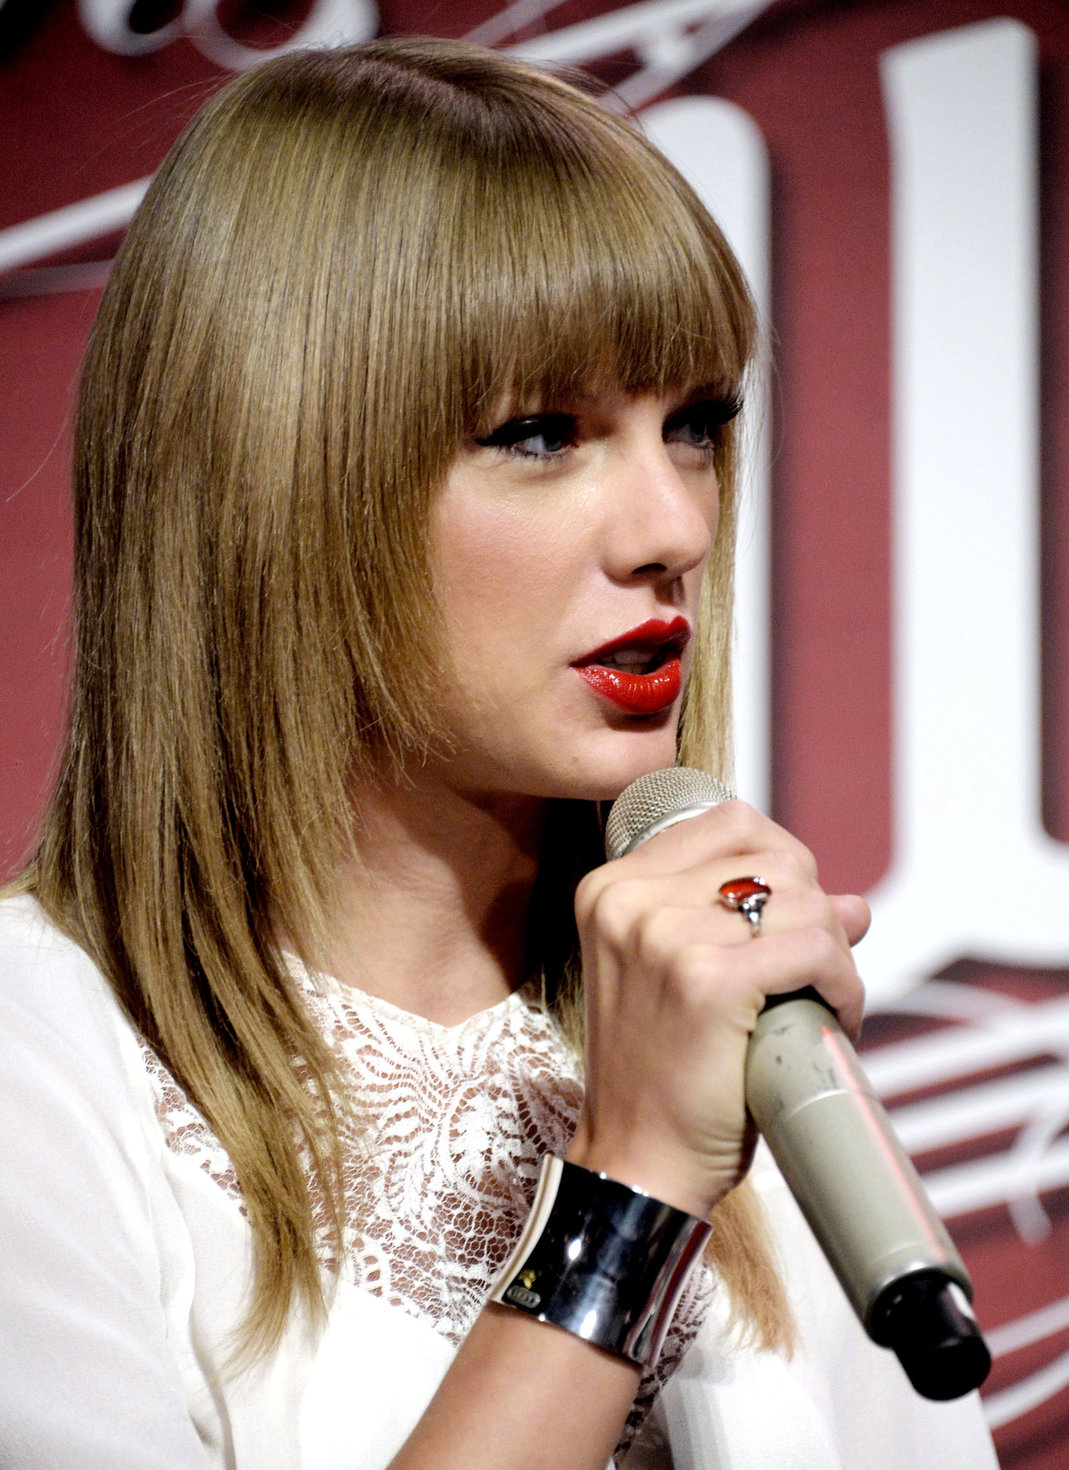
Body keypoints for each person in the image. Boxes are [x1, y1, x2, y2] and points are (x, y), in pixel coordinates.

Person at [0, 35, 997, 1470]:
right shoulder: (47, 1062)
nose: (674, 527)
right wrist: (631, 1190)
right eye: (540, 432)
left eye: (694, 424)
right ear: (278, 484)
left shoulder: (729, 1021)